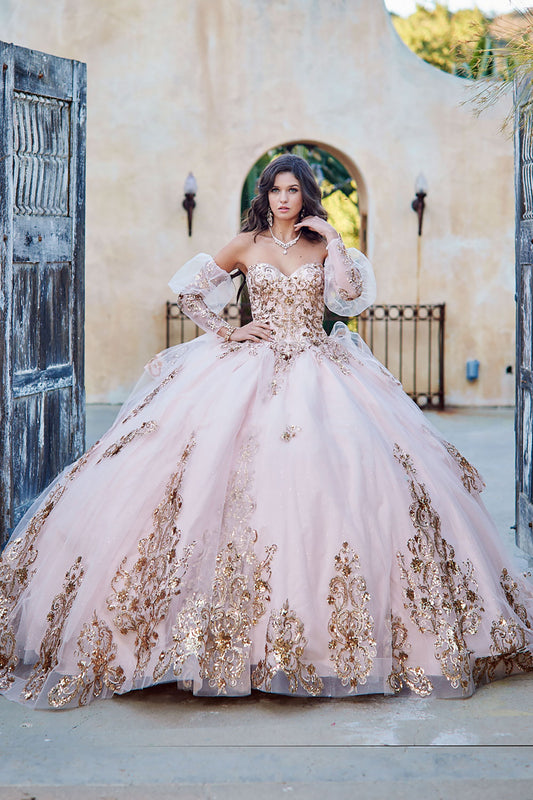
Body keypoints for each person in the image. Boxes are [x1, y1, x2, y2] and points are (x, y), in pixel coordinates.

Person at [0, 154, 532, 710]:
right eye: (276, 190)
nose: (284, 199)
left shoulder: (322, 246)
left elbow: (350, 298)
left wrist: (334, 239)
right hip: (249, 367)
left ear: (306, 195)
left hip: (321, 367)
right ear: (266, 195)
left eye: (294, 190)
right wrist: (230, 332)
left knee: (349, 476)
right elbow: (190, 291)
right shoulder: (247, 243)